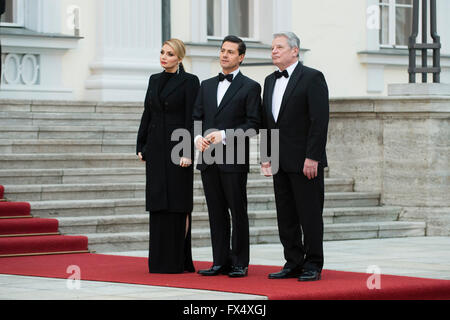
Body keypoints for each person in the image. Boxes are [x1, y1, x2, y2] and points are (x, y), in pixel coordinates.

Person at [261, 32, 329, 282]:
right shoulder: (269, 81)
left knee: (309, 214)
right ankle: (293, 261)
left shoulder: (312, 78)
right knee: (286, 215)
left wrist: (313, 157)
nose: (274, 51)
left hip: (305, 162)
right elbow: (267, 122)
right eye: (272, 48)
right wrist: (266, 156)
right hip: (279, 160)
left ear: (295, 50)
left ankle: (313, 264)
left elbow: (319, 121)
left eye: (279, 47)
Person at [193, 35, 261, 278]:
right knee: (215, 212)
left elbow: (254, 124)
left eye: (231, 52)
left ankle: (240, 262)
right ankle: (219, 261)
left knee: (237, 211)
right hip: (208, 159)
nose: (224, 55)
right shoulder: (206, 85)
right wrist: (196, 137)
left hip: (234, 159)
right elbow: (197, 117)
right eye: (222, 50)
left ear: (241, 57)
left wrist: (225, 135)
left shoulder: (251, 87)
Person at [136, 38, 200, 274]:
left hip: (177, 150)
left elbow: (191, 118)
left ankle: (177, 259)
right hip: (155, 148)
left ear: (180, 58)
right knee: (158, 202)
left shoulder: (190, 82)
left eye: (170, 54)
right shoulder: (154, 79)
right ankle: (159, 260)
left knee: (178, 203)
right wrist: (141, 144)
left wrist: (187, 151)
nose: (164, 57)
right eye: (162, 52)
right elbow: (147, 113)